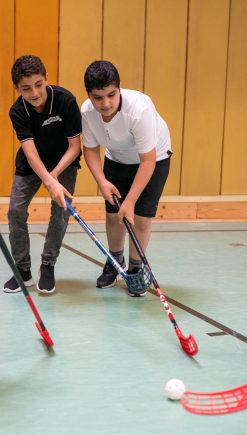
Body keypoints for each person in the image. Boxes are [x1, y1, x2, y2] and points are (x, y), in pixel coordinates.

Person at [80, 60, 171, 297]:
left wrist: (130, 201)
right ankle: (114, 260)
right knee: (113, 216)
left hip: (154, 159)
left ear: (119, 89)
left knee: (140, 218)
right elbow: (90, 149)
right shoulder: (88, 112)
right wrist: (102, 181)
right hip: (117, 158)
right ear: (89, 95)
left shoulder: (138, 110)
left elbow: (148, 161)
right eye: (98, 97)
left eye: (111, 95)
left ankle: (135, 268)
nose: (106, 103)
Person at [4, 55, 82, 295]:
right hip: (32, 164)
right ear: (17, 89)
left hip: (64, 163)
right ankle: (22, 269)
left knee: (60, 212)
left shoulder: (66, 101)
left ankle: (48, 265)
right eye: (26, 88)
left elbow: (75, 146)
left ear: (47, 79)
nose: (35, 92)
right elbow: (30, 152)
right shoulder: (18, 110)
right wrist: (48, 180)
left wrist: (55, 177)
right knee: (15, 211)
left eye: (39, 84)